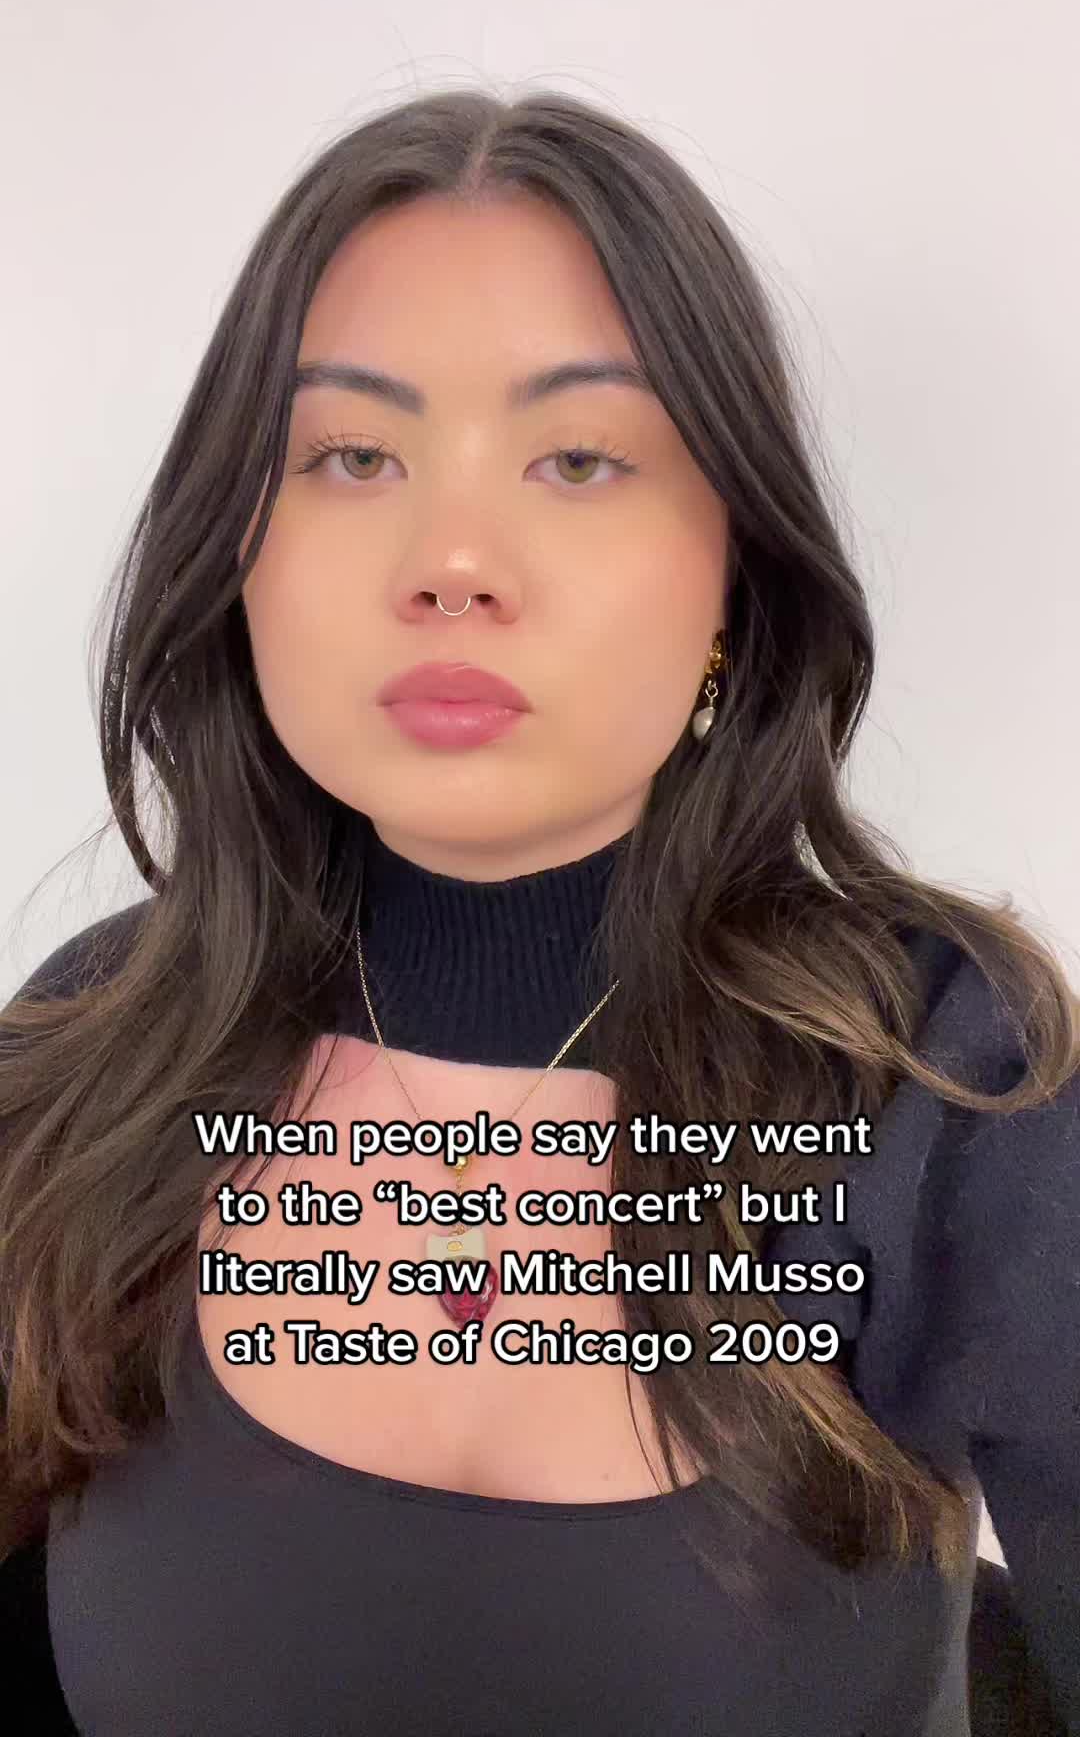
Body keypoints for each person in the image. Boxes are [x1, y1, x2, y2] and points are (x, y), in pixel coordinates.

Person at [1, 87, 1078, 1736]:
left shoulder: (950, 1074)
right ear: (240, 556)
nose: (452, 561)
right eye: (354, 456)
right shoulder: (88, 1043)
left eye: (579, 459)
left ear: (733, 574)